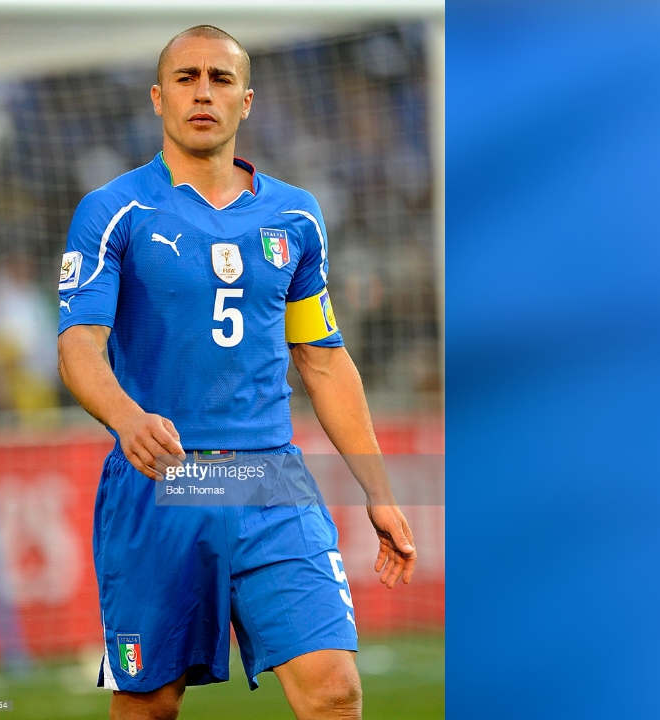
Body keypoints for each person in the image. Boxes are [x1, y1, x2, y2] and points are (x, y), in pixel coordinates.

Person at [56, 25, 417, 720]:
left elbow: (323, 356)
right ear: (159, 98)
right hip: (161, 483)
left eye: (220, 79)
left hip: (269, 479)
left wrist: (379, 489)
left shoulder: (296, 217)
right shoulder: (113, 211)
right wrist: (127, 417)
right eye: (187, 78)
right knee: (148, 706)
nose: (203, 92)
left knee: (334, 689)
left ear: (246, 101)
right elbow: (78, 345)